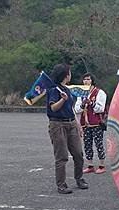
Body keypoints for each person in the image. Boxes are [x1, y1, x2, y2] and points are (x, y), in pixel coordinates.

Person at [46, 64, 88, 194]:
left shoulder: (66, 90)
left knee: (78, 154)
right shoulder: (54, 90)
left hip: (71, 123)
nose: (71, 75)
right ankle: (61, 185)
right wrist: (62, 100)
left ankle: (79, 178)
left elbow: (70, 109)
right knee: (62, 156)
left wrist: (78, 125)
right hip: (57, 124)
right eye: (69, 73)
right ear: (65, 75)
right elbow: (53, 108)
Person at [75, 73, 108, 174]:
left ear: (92, 80)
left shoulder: (99, 92)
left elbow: (100, 108)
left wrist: (91, 103)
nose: (86, 81)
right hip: (85, 124)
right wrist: (82, 104)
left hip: (96, 123)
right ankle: (90, 165)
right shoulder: (80, 94)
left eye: (88, 79)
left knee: (99, 144)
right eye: (84, 79)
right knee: (87, 145)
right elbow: (77, 109)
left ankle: (102, 165)